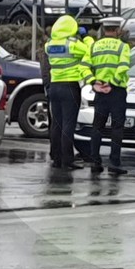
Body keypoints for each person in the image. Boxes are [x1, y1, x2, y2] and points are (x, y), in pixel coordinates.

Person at [45, 14, 92, 170]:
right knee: (68, 125)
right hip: (70, 87)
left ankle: (57, 159)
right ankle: (67, 160)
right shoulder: (73, 44)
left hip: (54, 87)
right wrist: (85, 36)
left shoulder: (49, 44)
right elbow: (90, 49)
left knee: (56, 124)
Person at [88, 17, 131, 175]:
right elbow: (123, 67)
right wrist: (112, 84)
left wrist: (93, 82)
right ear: (117, 30)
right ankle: (114, 163)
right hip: (116, 91)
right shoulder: (123, 47)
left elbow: (85, 66)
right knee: (117, 128)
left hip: (100, 91)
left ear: (104, 29)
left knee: (97, 127)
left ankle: (95, 162)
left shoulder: (94, 46)